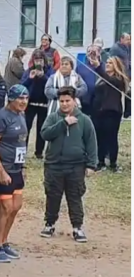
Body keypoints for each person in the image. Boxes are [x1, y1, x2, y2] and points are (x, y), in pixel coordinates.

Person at [39, 86, 97, 243]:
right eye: (62, 101)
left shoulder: (84, 120)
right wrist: (63, 123)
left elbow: (91, 143)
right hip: (54, 165)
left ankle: (77, 227)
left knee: (75, 197)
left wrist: (91, 165)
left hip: (76, 166)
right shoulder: (53, 117)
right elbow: (45, 134)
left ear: (74, 101)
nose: (64, 104)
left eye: (67, 101)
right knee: (52, 195)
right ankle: (49, 224)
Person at [0, 84, 30, 262]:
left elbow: (21, 143)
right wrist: (1, 171)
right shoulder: (1, 117)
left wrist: (23, 167)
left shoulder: (21, 115)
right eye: (20, 98)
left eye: (26, 98)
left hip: (16, 167)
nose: (23, 102)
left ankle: (4, 241)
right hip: (3, 168)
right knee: (5, 207)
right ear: (11, 99)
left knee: (15, 206)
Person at [90, 56, 130, 171]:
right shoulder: (101, 79)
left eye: (110, 63)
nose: (107, 64)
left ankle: (113, 163)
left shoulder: (119, 79)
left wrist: (98, 66)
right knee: (99, 137)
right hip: (98, 112)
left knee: (111, 137)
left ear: (116, 66)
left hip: (112, 112)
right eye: (106, 62)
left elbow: (110, 80)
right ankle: (100, 161)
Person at [22, 50, 54, 159]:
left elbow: (52, 84)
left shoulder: (49, 71)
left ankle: (39, 152)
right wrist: (30, 78)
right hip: (30, 103)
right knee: (26, 127)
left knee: (41, 128)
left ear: (44, 60)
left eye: (40, 60)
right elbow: (22, 85)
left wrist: (43, 76)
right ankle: (23, 150)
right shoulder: (29, 71)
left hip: (44, 103)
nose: (38, 62)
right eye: (36, 60)